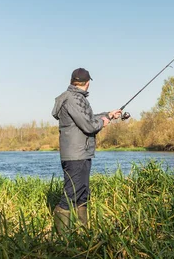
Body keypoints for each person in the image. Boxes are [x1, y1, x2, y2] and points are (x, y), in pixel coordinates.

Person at [51, 68, 122, 234]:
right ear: (88, 83)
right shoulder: (74, 99)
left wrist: (108, 115)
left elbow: (85, 118)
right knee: (71, 194)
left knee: (82, 193)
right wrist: (103, 123)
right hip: (76, 154)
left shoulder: (73, 98)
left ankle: (82, 232)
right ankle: (63, 239)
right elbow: (89, 125)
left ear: (71, 81)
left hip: (80, 152)